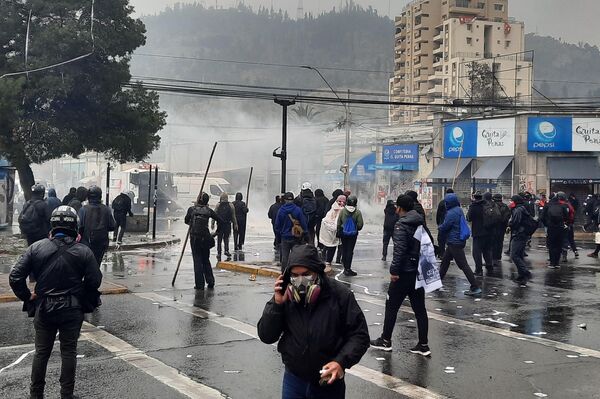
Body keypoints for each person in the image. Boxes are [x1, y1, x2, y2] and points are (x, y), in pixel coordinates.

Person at [10, 206, 102, 399]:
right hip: (72, 309)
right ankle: (66, 394)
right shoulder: (84, 251)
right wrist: (81, 293)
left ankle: (36, 394)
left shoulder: (36, 247)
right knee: (68, 351)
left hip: (44, 308)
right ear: (75, 226)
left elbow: (15, 276)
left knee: (41, 352)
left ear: (52, 225)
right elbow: (95, 281)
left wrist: (27, 296)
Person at [257, 245, 370, 399]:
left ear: (317, 272)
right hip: (294, 380)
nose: (301, 280)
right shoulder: (285, 296)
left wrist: (341, 362)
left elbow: (359, 335)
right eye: (295, 275)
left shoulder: (340, 295)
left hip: (327, 382)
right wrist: (277, 305)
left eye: (306, 274)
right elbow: (266, 336)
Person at [370, 195, 429, 355]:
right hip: (417, 270)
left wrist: (394, 271)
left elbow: (399, 250)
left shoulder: (401, 225)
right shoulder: (419, 221)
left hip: (404, 272)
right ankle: (423, 345)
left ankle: (386, 340)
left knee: (391, 307)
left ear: (400, 208)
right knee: (420, 310)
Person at [438, 193, 481, 296]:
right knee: (445, 262)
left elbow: (446, 226)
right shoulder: (458, 209)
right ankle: (437, 282)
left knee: (463, 265)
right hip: (456, 241)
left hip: (454, 242)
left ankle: (475, 287)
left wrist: (440, 227)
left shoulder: (451, 213)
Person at [185, 192, 222, 290]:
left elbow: (186, 221)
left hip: (195, 239)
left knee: (197, 261)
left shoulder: (192, 209)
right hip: (205, 238)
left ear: (199, 199)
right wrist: (215, 233)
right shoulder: (209, 211)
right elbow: (220, 221)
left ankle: (199, 285)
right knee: (206, 260)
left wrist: (192, 223)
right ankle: (210, 281)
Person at [78, 186, 115, 266]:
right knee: (97, 265)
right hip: (101, 243)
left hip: (87, 244)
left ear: (88, 196)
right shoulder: (106, 209)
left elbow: (79, 227)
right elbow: (112, 226)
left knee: (86, 265)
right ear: (100, 196)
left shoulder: (83, 210)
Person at [275, 192, 308, 272]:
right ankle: (295, 271)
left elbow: (277, 225)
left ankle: (284, 272)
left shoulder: (281, 210)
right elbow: (303, 223)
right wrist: (305, 233)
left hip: (285, 236)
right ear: (293, 200)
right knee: (296, 255)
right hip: (296, 236)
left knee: (285, 256)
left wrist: (279, 235)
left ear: (285, 200)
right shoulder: (298, 210)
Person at [508, 195, 534, 283]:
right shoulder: (521, 208)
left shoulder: (518, 209)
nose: (510, 202)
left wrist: (509, 225)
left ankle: (525, 273)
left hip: (519, 234)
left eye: (511, 201)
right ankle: (521, 275)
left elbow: (516, 222)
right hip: (523, 234)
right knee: (519, 255)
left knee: (514, 255)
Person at [466, 191, 494, 275]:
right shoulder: (487, 205)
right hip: (488, 232)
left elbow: (468, 218)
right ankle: (489, 266)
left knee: (476, 252)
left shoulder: (473, 206)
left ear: (474, 197)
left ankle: (479, 270)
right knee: (487, 250)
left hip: (478, 233)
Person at [337, 195, 364, 276]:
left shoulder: (343, 211)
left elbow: (339, 222)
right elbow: (360, 225)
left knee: (344, 250)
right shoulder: (358, 212)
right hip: (353, 235)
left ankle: (345, 267)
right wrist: (355, 229)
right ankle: (348, 269)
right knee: (350, 251)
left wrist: (339, 230)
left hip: (343, 233)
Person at [540, 193, 569, 268]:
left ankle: (552, 263)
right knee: (559, 245)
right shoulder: (562, 205)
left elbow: (542, 217)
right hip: (560, 227)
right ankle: (557, 263)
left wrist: (547, 224)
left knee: (551, 245)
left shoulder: (547, 205)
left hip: (551, 227)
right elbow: (566, 217)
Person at [320, 195, 345, 268]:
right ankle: (331, 260)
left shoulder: (333, 208)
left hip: (332, 232)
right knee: (333, 246)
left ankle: (328, 260)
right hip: (335, 232)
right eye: (340, 201)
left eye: (343, 202)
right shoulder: (339, 210)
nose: (341, 203)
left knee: (331, 246)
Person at [212, 193, 238, 261]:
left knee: (219, 239)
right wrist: (235, 224)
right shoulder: (231, 205)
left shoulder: (218, 205)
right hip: (227, 224)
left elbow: (214, 214)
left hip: (220, 225)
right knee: (226, 238)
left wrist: (213, 223)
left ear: (221, 198)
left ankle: (219, 252)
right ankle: (226, 250)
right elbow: (233, 216)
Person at [492, 193, 511, 264]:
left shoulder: (493, 206)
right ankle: (498, 256)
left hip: (494, 226)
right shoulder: (505, 206)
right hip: (502, 227)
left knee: (493, 242)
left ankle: (493, 257)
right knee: (500, 242)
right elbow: (508, 216)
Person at [558, 192, 578, 260]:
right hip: (569, 224)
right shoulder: (568, 204)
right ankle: (575, 251)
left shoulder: (558, 204)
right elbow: (572, 213)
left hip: (559, 225)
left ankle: (563, 255)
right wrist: (570, 223)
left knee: (562, 239)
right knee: (571, 239)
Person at [436, 188, 454, 256]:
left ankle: (441, 254)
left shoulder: (442, 202)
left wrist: (438, 223)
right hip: (452, 225)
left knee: (441, 240)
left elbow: (438, 214)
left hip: (443, 224)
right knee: (450, 240)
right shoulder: (455, 203)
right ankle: (450, 255)